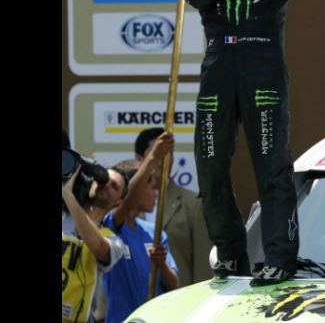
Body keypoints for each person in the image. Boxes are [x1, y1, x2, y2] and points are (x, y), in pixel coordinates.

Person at [181, 0, 325, 286]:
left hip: (262, 65)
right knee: (209, 167)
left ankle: (280, 258)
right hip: (219, 67)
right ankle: (230, 255)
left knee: (272, 165)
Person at [101, 132, 178, 323]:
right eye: (151, 186)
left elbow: (174, 284)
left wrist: (162, 265)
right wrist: (152, 158)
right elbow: (127, 203)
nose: (157, 193)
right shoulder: (110, 225)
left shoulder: (155, 232)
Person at [135, 128, 212, 286]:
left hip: (178, 303)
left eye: (169, 153)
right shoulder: (126, 205)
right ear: (139, 159)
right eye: (157, 153)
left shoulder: (194, 204)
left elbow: (203, 269)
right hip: (136, 304)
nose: (165, 159)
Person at [62, 151, 130, 322]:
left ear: (119, 202)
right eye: (103, 180)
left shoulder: (114, 241)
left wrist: (69, 196)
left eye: (114, 186)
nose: (106, 186)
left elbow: (95, 245)